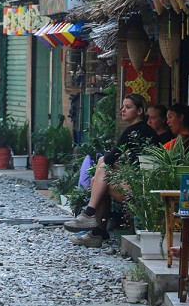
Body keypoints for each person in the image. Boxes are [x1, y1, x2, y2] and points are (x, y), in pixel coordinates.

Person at [64, 92, 156, 247]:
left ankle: (91, 219)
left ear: (139, 111)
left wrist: (107, 162)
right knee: (98, 178)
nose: (123, 110)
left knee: (102, 170)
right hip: (141, 185)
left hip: (139, 190)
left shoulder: (132, 131)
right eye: (123, 107)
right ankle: (95, 229)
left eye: (128, 107)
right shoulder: (146, 130)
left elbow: (110, 159)